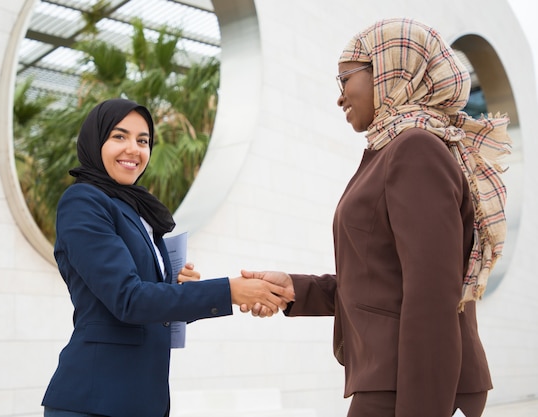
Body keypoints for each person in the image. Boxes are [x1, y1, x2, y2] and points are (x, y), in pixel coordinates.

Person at [241, 18, 512, 417]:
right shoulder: (396, 149)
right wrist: (294, 288)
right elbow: (382, 280)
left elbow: (433, 294)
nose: (340, 97)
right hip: (395, 379)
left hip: (411, 384)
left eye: (344, 79)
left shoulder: (416, 149)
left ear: (388, 70)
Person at [41, 98, 294, 417]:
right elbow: (128, 300)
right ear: (95, 141)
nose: (133, 149)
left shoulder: (137, 209)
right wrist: (230, 291)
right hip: (95, 399)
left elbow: (147, 302)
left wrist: (176, 286)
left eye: (143, 140)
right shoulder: (83, 201)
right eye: (119, 136)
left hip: (143, 399)